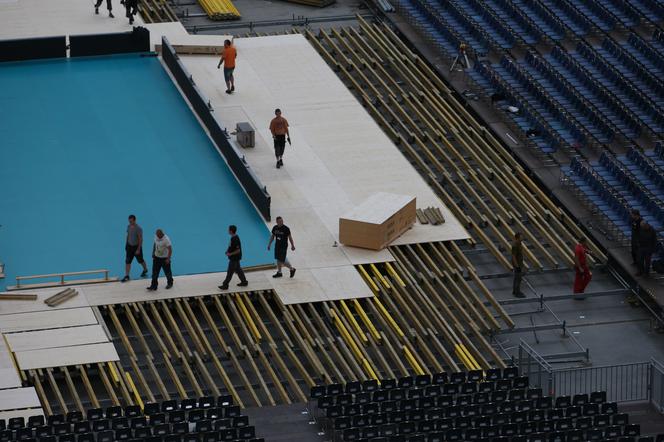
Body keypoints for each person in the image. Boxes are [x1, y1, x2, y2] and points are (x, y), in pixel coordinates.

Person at [219, 225, 248, 290]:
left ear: (231, 231)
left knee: (230, 272)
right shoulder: (233, 237)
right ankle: (244, 281)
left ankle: (225, 285)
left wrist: (230, 254)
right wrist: (227, 251)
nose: (228, 231)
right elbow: (231, 246)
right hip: (235, 258)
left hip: (234, 258)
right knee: (238, 269)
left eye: (228, 230)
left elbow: (238, 250)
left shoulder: (235, 238)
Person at [122, 214, 148, 282]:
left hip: (136, 247)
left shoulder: (138, 228)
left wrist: (138, 249)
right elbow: (128, 235)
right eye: (129, 221)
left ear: (134, 220)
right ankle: (127, 275)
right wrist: (126, 244)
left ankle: (145, 269)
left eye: (131, 221)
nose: (130, 222)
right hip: (129, 247)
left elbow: (140, 239)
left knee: (140, 260)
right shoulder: (128, 226)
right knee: (127, 261)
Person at [511, 232, 525, 298]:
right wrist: (517, 266)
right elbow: (513, 256)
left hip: (519, 263)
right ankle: (517, 292)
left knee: (517, 278)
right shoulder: (515, 245)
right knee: (518, 278)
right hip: (517, 264)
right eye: (521, 236)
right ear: (517, 237)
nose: (522, 237)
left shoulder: (519, 244)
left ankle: (515, 291)